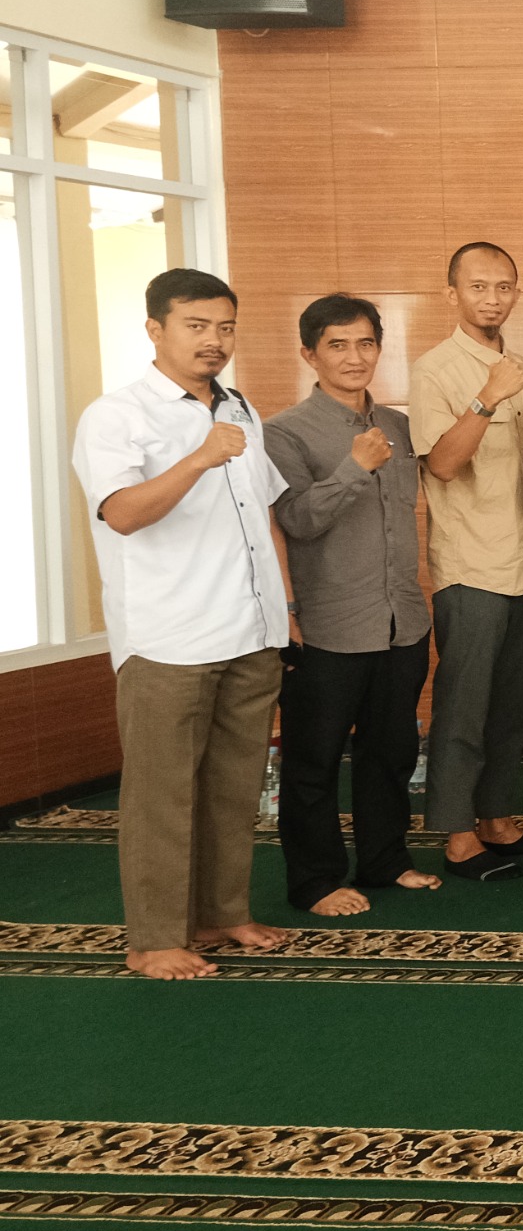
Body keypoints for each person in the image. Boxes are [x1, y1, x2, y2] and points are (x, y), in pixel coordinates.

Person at [71, 269, 293, 979]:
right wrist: (199, 458)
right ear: (155, 330)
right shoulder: (116, 415)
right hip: (169, 637)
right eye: (196, 326)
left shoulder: (238, 407)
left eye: (225, 327)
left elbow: (263, 513)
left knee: (233, 789)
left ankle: (223, 914)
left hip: (251, 630)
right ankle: (153, 939)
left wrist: (286, 611)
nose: (214, 341)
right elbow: (122, 514)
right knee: (161, 797)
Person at [266, 294, 437, 917]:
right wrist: (354, 468)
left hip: (401, 620)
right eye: (337, 345)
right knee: (312, 762)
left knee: (391, 752)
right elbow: (296, 520)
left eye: (365, 343)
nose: (354, 357)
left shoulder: (398, 425)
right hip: (328, 626)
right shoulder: (283, 432)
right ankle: (315, 881)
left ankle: (385, 860)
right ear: (309, 354)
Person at [410, 242, 523, 882]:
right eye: (478, 286)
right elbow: (442, 463)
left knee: (509, 705)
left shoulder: (517, 364)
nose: (492, 299)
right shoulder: (435, 370)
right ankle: (457, 833)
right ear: (452, 294)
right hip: (470, 564)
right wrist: (486, 398)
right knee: (464, 706)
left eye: (504, 287)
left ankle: (495, 818)